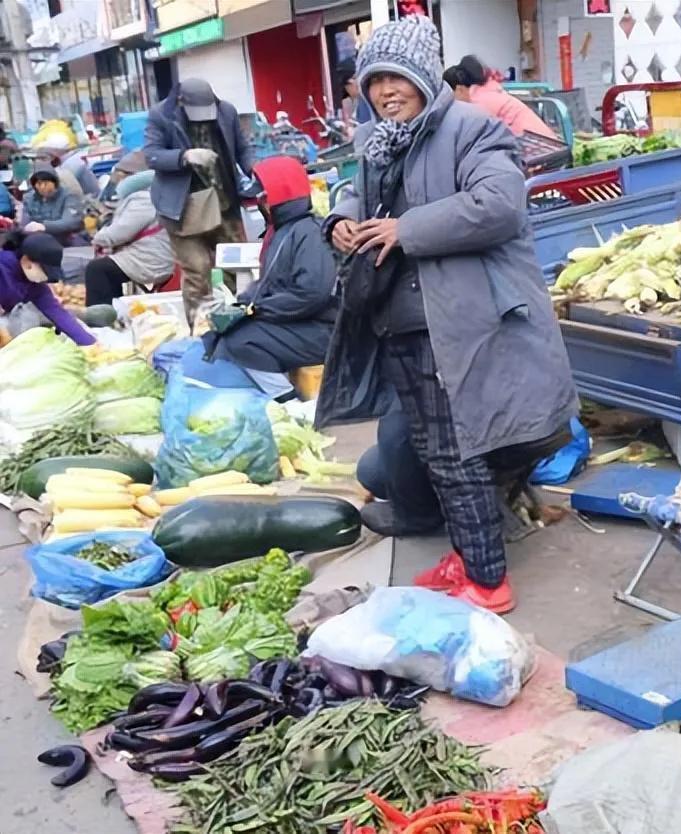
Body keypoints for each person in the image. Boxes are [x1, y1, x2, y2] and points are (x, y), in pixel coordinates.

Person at [317, 15, 577, 614]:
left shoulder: (472, 129)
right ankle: (468, 556)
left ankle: (488, 582)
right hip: (402, 321)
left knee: (460, 450)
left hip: (459, 325)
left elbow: (498, 206)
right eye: (374, 80)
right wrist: (340, 222)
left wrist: (405, 230)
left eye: (396, 78)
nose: (385, 91)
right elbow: (357, 195)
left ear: (423, 75)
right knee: (438, 452)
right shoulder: (380, 141)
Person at [200, 155, 338, 401]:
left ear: (278, 197)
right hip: (300, 322)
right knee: (221, 339)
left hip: (325, 329)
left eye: (263, 197)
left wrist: (258, 310)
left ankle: (287, 400)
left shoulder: (310, 233)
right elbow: (268, 285)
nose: (259, 203)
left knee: (243, 341)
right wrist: (240, 307)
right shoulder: (281, 232)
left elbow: (312, 293)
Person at [144, 77, 255, 324]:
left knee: (239, 268)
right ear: (181, 103)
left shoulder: (226, 112)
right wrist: (184, 156)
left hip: (224, 203)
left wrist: (256, 170)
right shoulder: (161, 115)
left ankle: (243, 320)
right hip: (182, 209)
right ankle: (200, 325)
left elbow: (243, 149)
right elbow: (151, 155)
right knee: (198, 269)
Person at [85, 170, 174, 306]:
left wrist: (98, 238)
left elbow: (119, 233)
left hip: (148, 260)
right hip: (149, 254)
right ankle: (115, 310)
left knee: (96, 269)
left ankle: (100, 318)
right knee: (108, 269)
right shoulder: (156, 199)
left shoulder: (144, 201)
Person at [0, 231, 94, 345]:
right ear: (27, 262)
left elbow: (57, 312)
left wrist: (89, 343)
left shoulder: (35, 285)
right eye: (45, 272)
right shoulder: (3, 266)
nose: (45, 280)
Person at [443, 56, 557, 139]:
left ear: (459, 89)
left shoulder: (478, 103)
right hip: (548, 144)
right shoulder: (490, 88)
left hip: (535, 150)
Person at [22, 163, 85, 246]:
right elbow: (24, 222)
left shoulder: (69, 196)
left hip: (64, 240)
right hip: (36, 240)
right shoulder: (29, 198)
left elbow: (70, 222)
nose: (43, 187)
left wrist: (44, 226)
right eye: (39, 184)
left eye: (46, 183)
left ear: (55, 183)